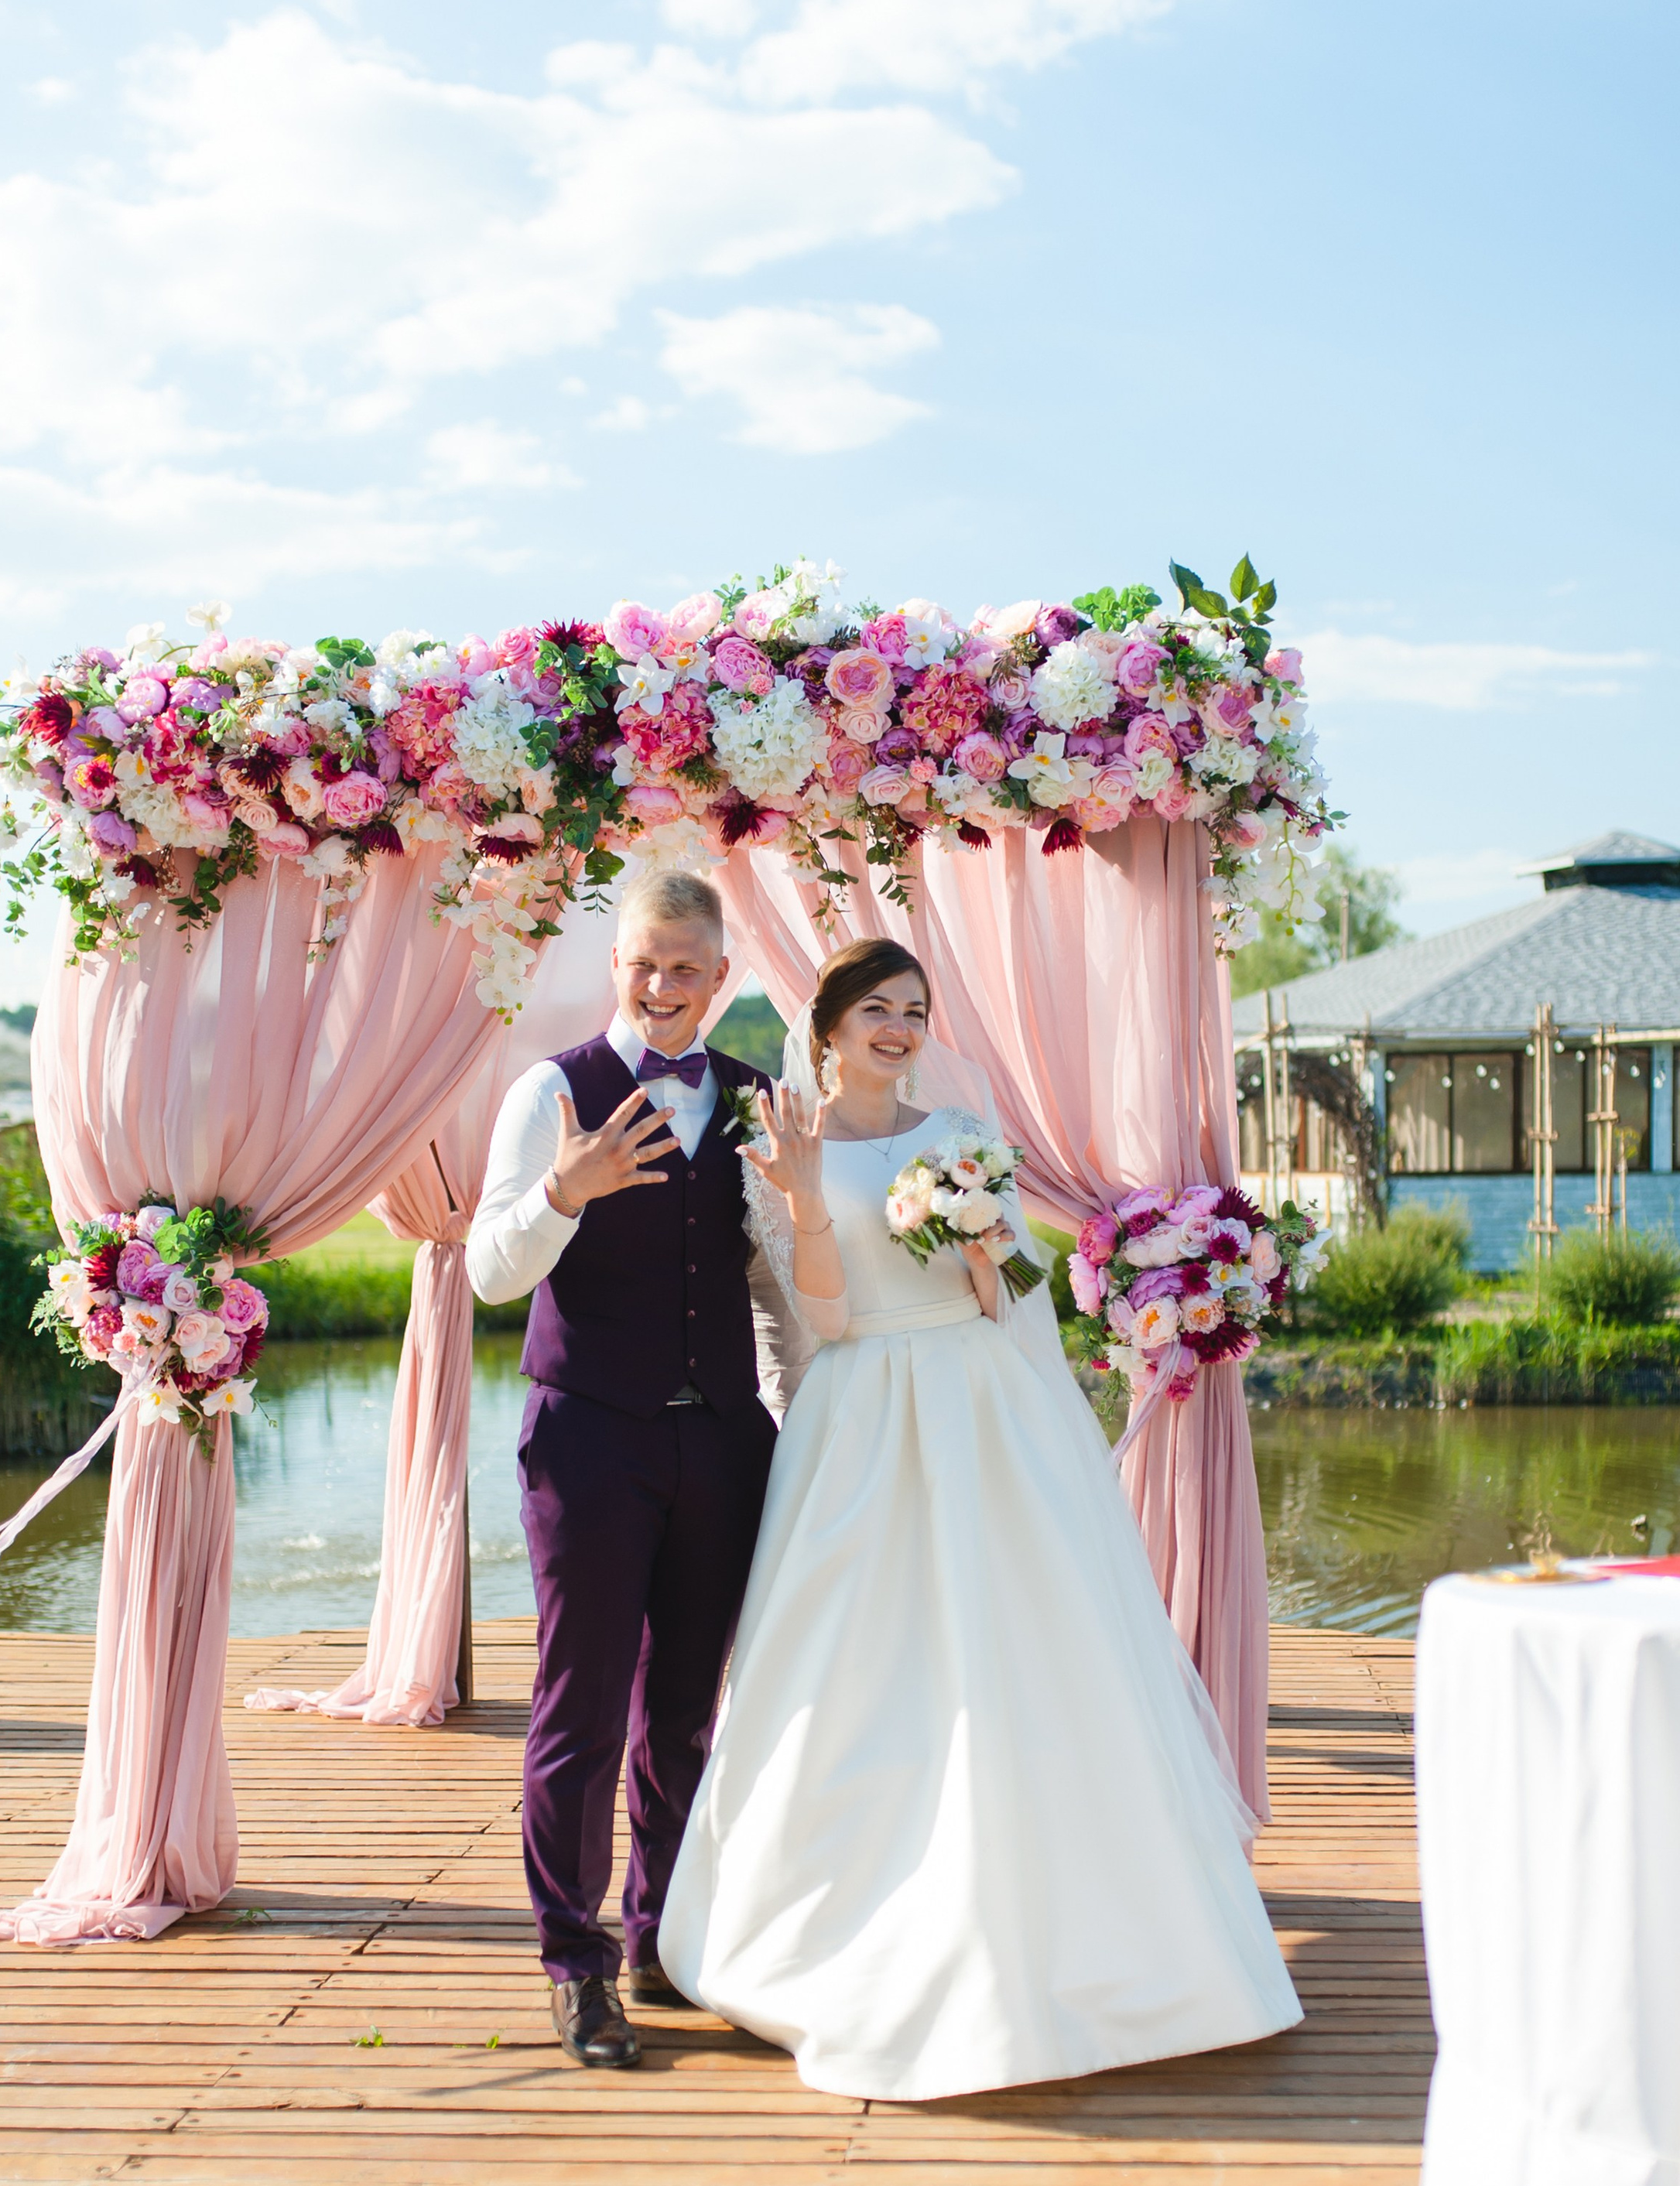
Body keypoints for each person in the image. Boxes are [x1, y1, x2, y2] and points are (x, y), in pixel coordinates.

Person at [657, 937, 1302, 2102]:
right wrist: (804, 1200)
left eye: (914, 1011)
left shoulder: (961, 1141)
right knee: (859, 1666)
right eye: (877, 1012)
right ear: (830, 1024)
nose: (899, 1031)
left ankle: (1079, 1929)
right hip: (861, 1416)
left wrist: (986, 1242)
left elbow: (1015, 1304)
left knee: (1023, 1651)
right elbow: (829, 1325)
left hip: (985, 1404)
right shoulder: (780, 1144)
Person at [467, 868, 791, 2071]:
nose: (663, 988)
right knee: (582, 1709)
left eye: (687, 968)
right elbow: (490, 1272)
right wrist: (564, 1191)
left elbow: (770, 1281)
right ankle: (577, 1966)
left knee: (686, 1712)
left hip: (723, 1440)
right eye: (644, 964)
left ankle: (660, 1938)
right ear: (619, 966)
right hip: (590, 1435)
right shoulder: (551, 1092)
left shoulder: (759, 1102)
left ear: (721, 978)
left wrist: (811, 1414)